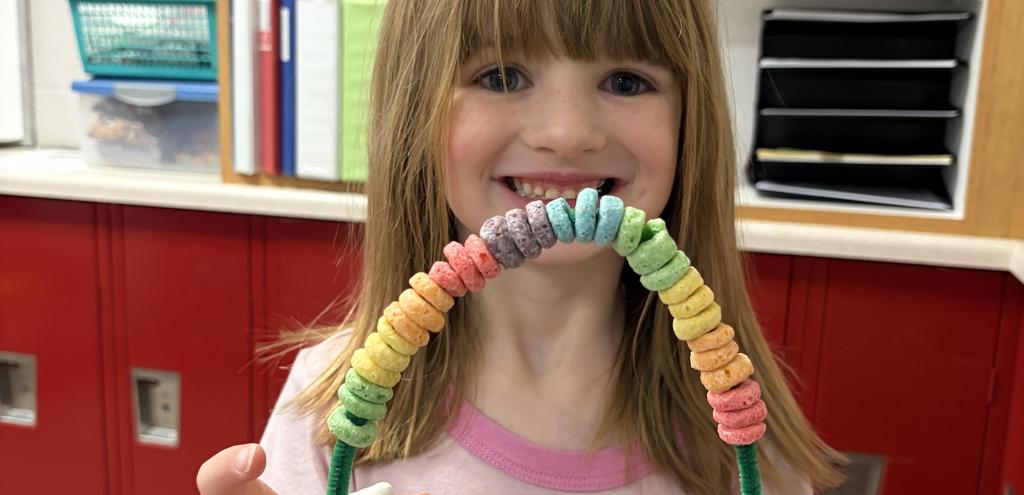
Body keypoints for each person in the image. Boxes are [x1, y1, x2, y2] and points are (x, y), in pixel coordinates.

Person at [197, 1, 847, 493]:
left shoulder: (743, 433)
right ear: (415, 114)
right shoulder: (334, 411)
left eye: (625, 81)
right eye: (502, 75)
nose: (567, 135)